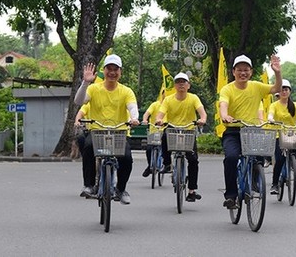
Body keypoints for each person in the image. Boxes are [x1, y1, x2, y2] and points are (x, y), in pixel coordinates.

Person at [74, 54, 140, 204]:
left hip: (120, 132)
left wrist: (134, 118)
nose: (112, 72)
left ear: (120, 72)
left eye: (115, 69)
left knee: (127, 158)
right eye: (109, 69)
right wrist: (85, 82)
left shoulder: (126, 91)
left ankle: (121, 189)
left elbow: (132, 107)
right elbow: (78, 101)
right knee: (88, 147)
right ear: (103, 71)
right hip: (97, 131)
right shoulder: (93, 88)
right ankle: (89, 185)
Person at [219, 54, 282, 210]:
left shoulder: (256, 86)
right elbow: (223, 105)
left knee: (258, 158)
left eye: (246, 70)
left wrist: (277, 72)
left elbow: (276, 89)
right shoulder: (227, 89)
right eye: (239, 70)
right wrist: (225, 116)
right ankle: (231, 196)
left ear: (251, 71)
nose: (243, 73)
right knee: (231, 158)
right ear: (233, 72)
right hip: (233, 131)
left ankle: (255, 180)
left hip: (253, 131)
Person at [155, 72, 207, 202]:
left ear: (188, 85)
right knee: (164, 138)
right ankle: (167, 164)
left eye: (184, 82)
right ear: (175, 86)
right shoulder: (168, 99)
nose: (181, 84)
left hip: (189, 130)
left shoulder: (193, 98)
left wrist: (202, 119)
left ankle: (192, 190)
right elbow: (160, 114)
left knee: (193, 160)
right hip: (173, 129)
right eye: (178, 82)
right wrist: (159, 120)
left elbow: (202, 113)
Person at [267, 79, 296, 194]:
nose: (284, 92)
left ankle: (292, 162)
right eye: (281, 89)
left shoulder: (295, 106)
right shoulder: (274, 105)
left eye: (286, 89)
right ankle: (275, 184)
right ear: (278, 92)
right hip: (278, 134)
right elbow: (270, 114)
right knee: (279, 159)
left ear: (289, 91)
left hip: (292, 134)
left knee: (294, 153)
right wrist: (271, 119)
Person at [141, 97, 163, 178]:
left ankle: (166, 165)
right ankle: (150, 166)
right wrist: (145, 120)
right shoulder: (155, 104)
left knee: (166, 149)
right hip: (154, 131)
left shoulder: (171, 104)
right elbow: (146, 114)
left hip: (164, 131)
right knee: (149, 149)